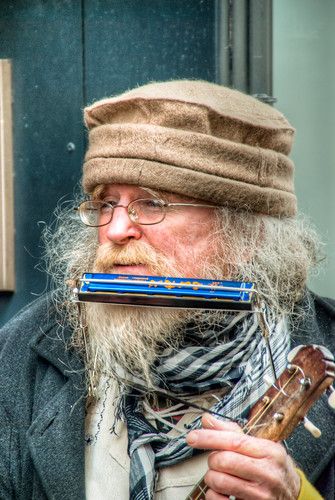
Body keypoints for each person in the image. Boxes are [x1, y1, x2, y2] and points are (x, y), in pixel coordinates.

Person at [0, 80, 334, 500]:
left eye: (153, 203)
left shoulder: (324, 346)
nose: (116, 230)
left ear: (245, 232)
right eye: (106, 203)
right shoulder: (22, 353)